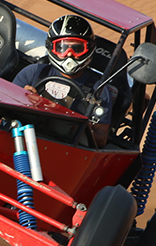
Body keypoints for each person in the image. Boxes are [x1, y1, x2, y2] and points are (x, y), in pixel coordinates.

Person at [12, 14, 112, 147]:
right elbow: (4, 110)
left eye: (77, 49)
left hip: (65, 150)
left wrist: (81, 126)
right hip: (23, 141)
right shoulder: (33, 73)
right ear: (51, 47)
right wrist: (23, 99)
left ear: (89, 48)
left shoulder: (99, 89)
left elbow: (100, 139)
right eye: (62, 48)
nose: (69, 54)